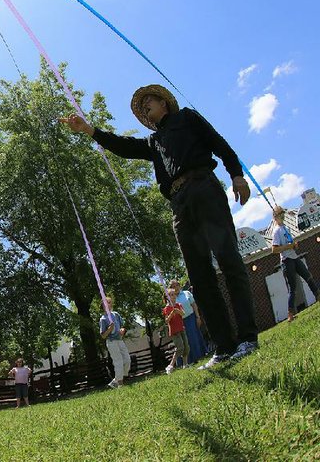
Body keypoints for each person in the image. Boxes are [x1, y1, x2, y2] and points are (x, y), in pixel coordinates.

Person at [61, 84, 259, 369]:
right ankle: (224, 346)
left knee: (228, 260)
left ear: (164, 103)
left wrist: (237, 175)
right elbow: (125, 146)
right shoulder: (154, 142)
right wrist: (89, 130)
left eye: (148, 102)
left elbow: (219, 143)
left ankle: (247, 338)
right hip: (179, 203)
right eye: (141, 108)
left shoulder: (187, 118)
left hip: (203, 186)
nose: (145, 108)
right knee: (199, 277)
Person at [271, 205, 320, 322]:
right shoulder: (276, 231)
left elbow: (290, 243)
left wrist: (294, 245)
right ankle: (290, 313)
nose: (283, 216)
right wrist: (289, 246)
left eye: (283, 214)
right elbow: (274, 249)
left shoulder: (285, 228)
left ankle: (318, 295)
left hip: (294, 257)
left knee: (308, 276)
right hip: (286, 261)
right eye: (280, 214)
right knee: (292, 288)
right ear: (276, 217)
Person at [169, 280, 207, 363]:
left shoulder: (187, 293)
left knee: (194, 338)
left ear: (179, 285)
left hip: (191, 319)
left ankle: (199, 356)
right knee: (184, 341)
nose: (175, 288)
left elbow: (194, 305)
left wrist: (198, 317)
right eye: (173, 287)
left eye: (176, 285)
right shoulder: (172, 298)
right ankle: (186, 362)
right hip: (180, 322)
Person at [99, 297, 130, 388]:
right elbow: (103, 336)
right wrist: (109, 329)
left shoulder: (116, 314)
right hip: (111, 342)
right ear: (103, 306)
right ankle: (120, 384)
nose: (107, 304)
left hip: (120, 340)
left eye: (109, 302)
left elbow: (122, 326)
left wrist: (122, 330)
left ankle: (115, 380)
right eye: (105, 303)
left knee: (127, 360)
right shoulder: (103, 319)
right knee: (118, 362)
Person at [163, 288, 190, 374]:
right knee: (180, 347)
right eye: (171, 295)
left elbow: (183, 314)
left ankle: (185, 365)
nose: (174, 296)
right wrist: (171, 314)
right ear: (167, 297)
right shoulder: (167, 308)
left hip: (181, 328)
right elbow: (167, 321)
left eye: (174, 294)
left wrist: (178, 311)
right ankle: (170, 366)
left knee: (186, 347)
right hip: (174, 330)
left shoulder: (178, 305)